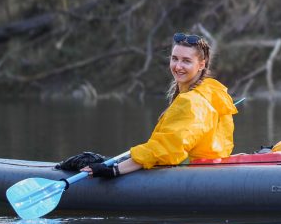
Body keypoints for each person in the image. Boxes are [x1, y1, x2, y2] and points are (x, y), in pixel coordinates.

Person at [85, 32, 238, 178]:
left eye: (186, 61)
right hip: (214, 169)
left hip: (200, 175)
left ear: (201, 65)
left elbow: (166, 148)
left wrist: (114, 171)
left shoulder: (192, 102)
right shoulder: (211, 92)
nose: (178, 66)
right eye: (174, 59)